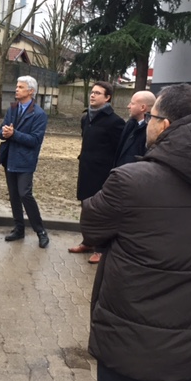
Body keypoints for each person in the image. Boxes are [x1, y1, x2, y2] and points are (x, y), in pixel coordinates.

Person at [81, 83, 191, 381]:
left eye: (152, 117)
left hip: (131, 344)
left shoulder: (131, 181)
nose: (148, 124)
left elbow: (92, 227)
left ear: (165, 125)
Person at [68, 81, 124, 263]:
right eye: (92, 92)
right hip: (86, 170)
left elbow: (118, 149)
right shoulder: (86, 118)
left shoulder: (115, 122)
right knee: (86, 207)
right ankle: (88, 242)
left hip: (103, 173)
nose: (92, 95)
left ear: (107, 98)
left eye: (97, 93)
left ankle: (101, 249)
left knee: (101, 211)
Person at [0, 76, 49, 248]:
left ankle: (40, 231)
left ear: (31, 91)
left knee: (24, 194)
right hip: (9, 159)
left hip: (26, 161)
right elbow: (2, 130)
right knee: (13, 195)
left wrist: (14, 134)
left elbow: (35, 140)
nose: (16, 89)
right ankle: (19, 229)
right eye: (17, 86)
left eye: (20, 87)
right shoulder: (12, 108)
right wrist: (3, 132)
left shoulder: (39, 114)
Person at [113, 90, 156, 168]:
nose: (128, 106)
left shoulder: (151, 132)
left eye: (132, 103)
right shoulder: (130, 125)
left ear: (143, 107)